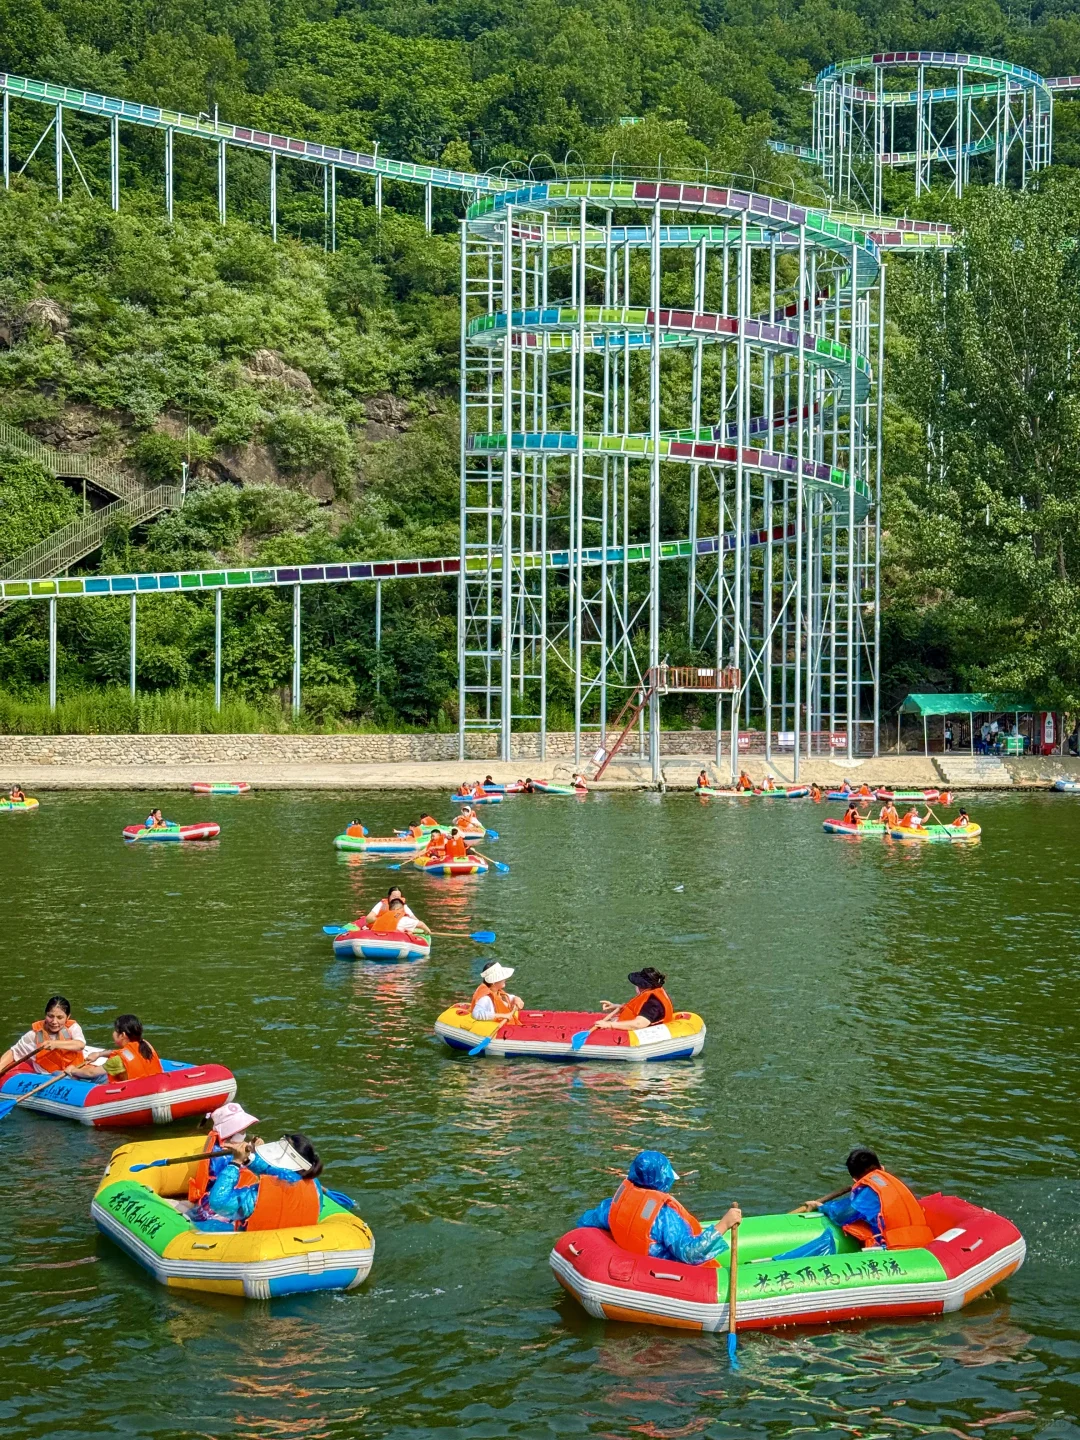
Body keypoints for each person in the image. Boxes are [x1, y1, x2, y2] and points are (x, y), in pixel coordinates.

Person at [577, 1150, 742, 1265]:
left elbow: (585, 1221)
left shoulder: (615, 1203)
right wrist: (724, 1224)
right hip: (661, 1272)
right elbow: (689, 1253)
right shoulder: (665, 1216)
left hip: (631, 1258)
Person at [808, 1148, 934, 1250]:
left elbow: (842, 1216)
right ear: (881, 1167)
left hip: (898, 1248)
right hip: (925, 1243)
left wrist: (822, 1207)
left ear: (855, 1179)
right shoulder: (893, 1182)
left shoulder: (870, 1191)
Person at [197, 1133, 325, 1232]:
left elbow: (218, 1202)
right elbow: (275, 1170)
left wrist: (235, 1163)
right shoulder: (315, 1186)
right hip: (298, 1243)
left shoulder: (257, 1197)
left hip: (260, 1247)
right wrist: (247, 1159)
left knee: (204, 1223)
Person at [188, 1101, 260, 1207]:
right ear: (230, 1133)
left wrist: (253, 1149)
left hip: (223, 1195)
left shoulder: (224, 1146)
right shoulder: (220, 1155)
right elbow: (228, 1181)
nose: (244, 1133)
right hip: (215, 1202)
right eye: (242, 1131)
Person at [0, 995, 92, 1075]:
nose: (54, 1022)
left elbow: (80, 1045)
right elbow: (13, 1052)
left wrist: (55, 1044)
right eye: (50, 1016)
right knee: (58, 1074)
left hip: (76, 1069)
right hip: (51, 1075)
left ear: (67, 1017)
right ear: (45, 1015)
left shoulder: (72, 1028)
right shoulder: (35, 1035)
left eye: (60, 1017)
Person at [65, 1014, 163, 1081]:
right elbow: (125, 1054)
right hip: (152, 1085)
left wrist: (73, 1070)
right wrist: (99, 1054)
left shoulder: (117, 1061)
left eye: (115, 1031)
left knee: (67, 1075)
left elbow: (91, 1073)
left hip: (132, 1093)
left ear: (122, 1035)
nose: (114, 1033)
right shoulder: (146, 1044)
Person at [594, 967, 673, 1032]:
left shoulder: (653, 1003)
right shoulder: (651, 994)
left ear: (642, 985)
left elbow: (639, 1024)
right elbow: (637, 1009)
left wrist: (609, 1024)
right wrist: (615, 1006)